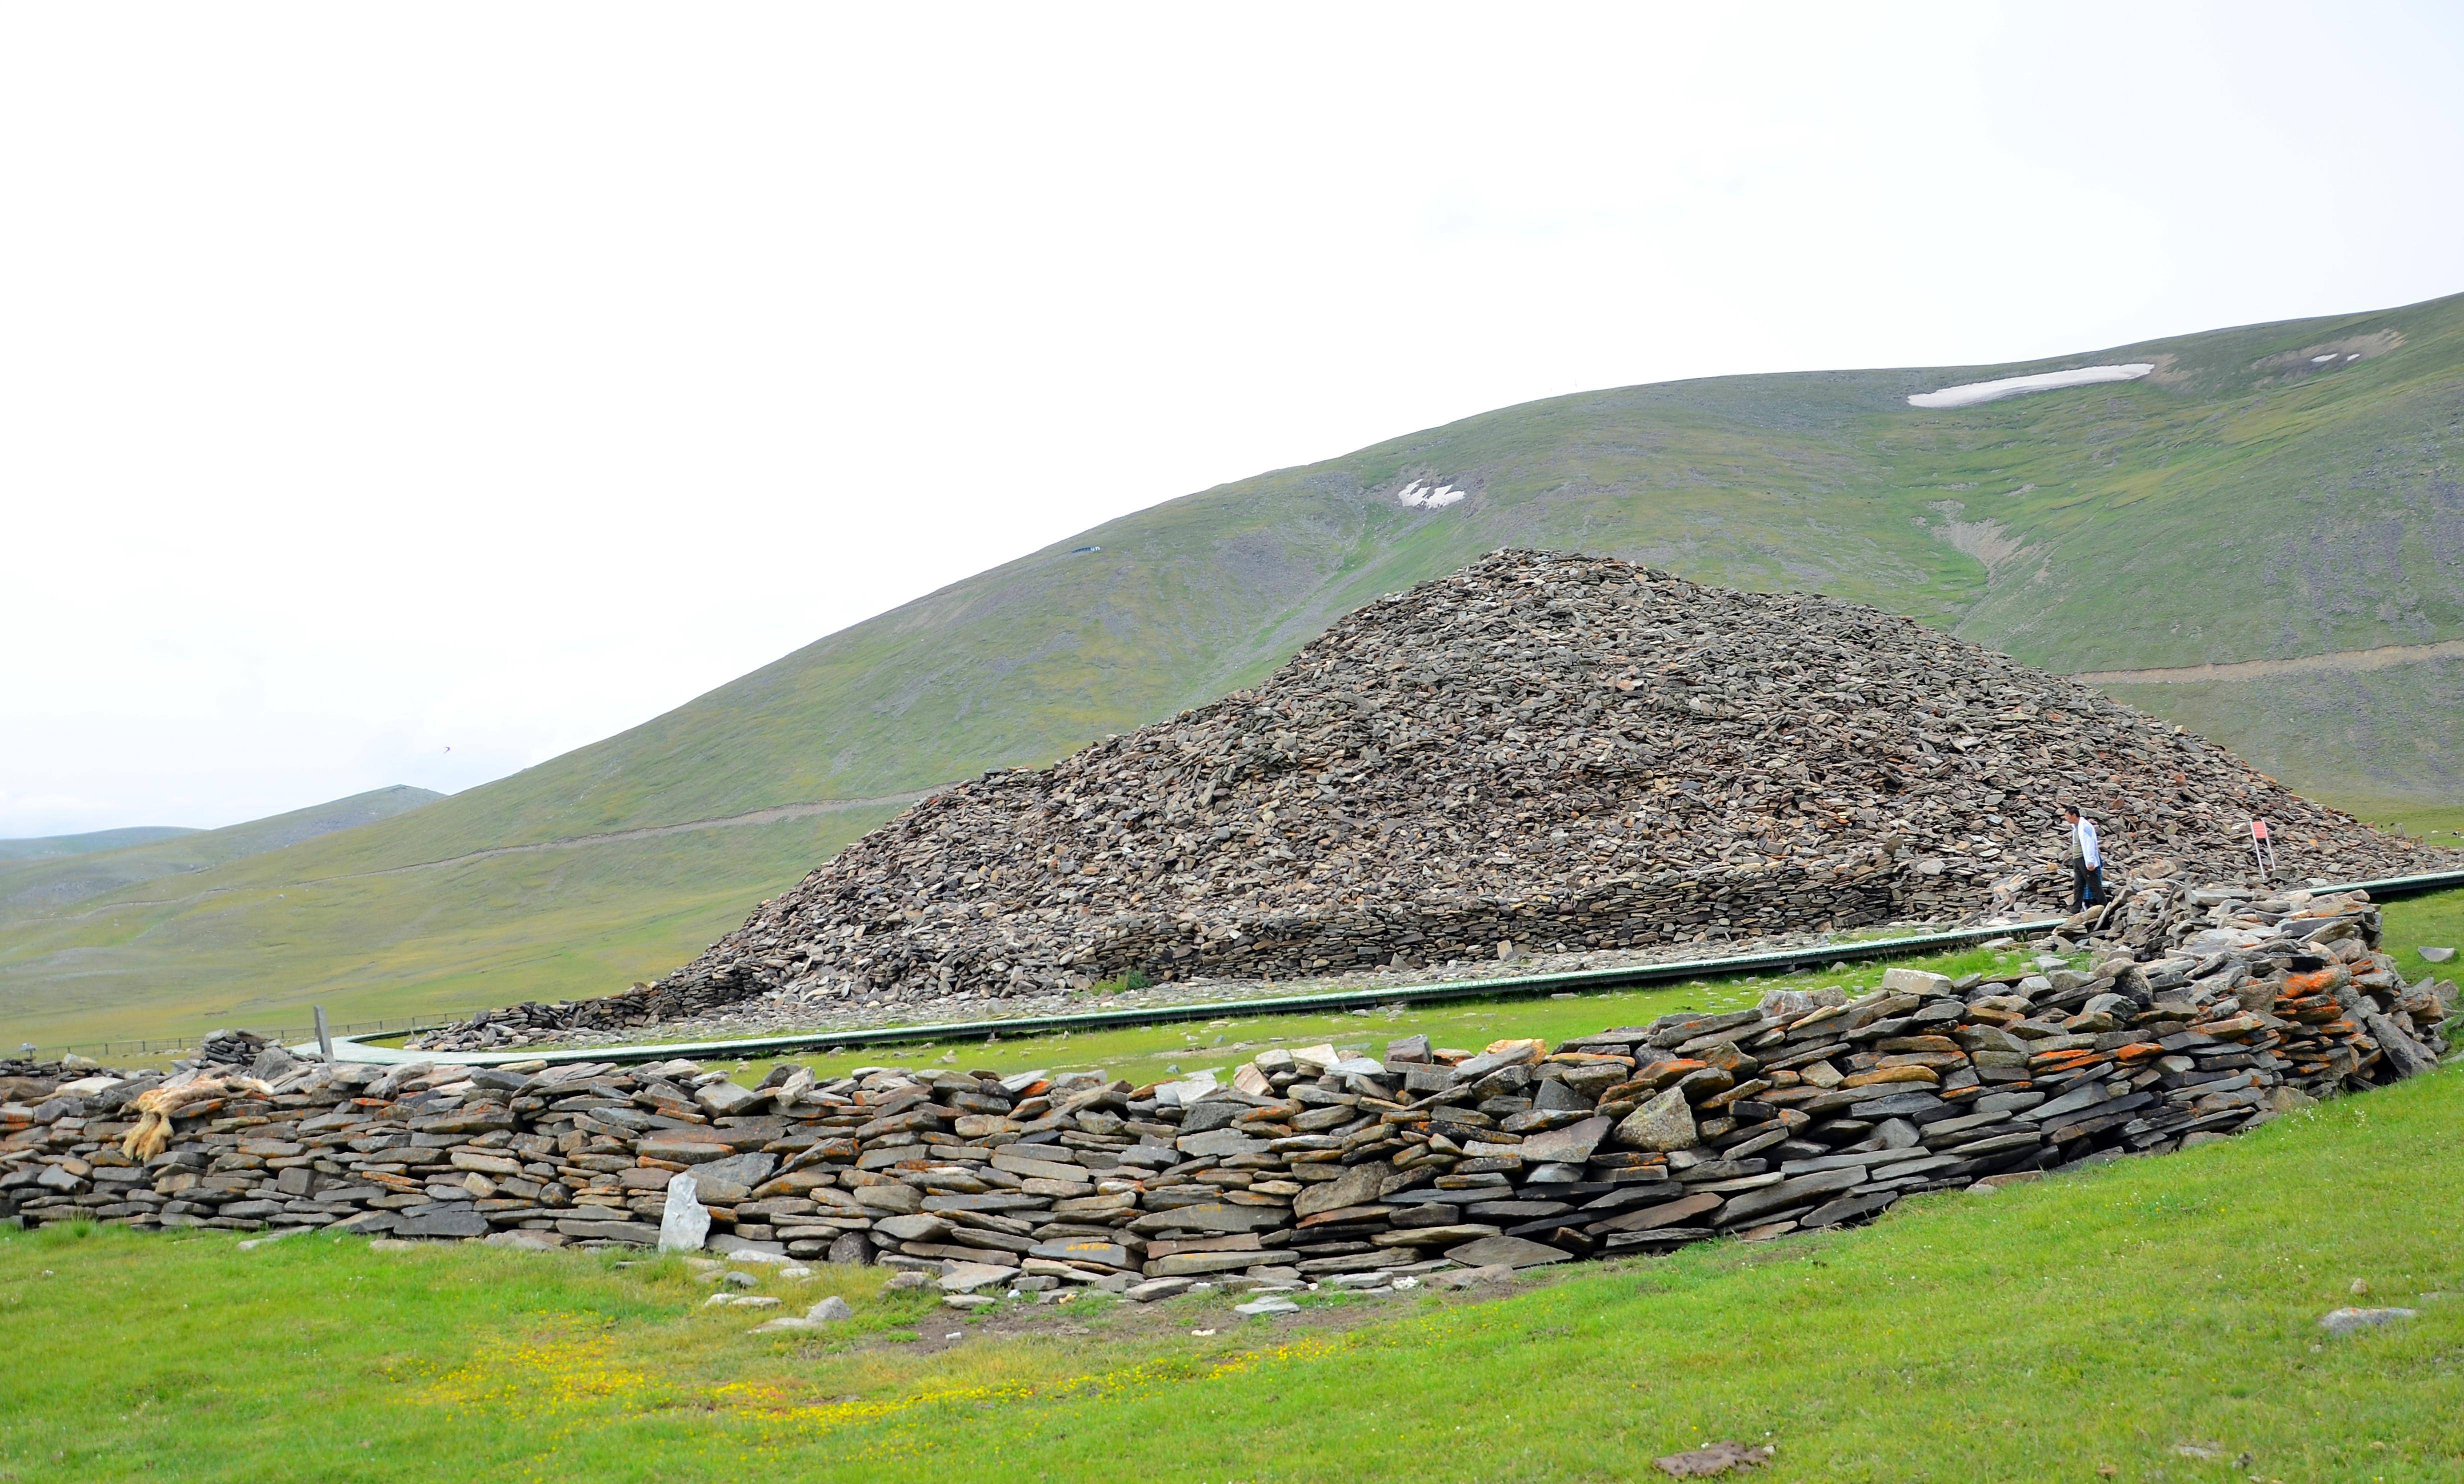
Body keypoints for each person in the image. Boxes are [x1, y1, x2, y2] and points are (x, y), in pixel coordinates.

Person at [2062, 804, 2103, 910]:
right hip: (2078, 859)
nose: (2066, 818)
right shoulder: (2076, 826)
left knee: (2094, 886)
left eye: (2067, 816)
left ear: (2074, 815)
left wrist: (2090, 862)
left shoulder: (2085, 827)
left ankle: (2104, 907)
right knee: (2078, 886)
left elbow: (2090, 844)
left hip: (2085, 860)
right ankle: (2075, 909)